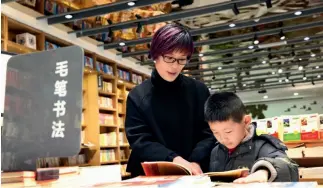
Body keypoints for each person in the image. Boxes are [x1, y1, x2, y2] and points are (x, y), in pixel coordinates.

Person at [125, 24, 216, 177]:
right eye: (169, 58)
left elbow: (209, 131)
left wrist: (195, 160)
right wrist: (174, 159)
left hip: (195, 171)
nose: (175, 66)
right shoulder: (138, 96)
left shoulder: (199, 91)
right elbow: (140, 140)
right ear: (155, 55)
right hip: (152, 173)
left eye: (181, 60)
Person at [204, 92, 299, 183]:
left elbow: (289, 166)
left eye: (228, 131)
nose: (223, 139)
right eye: (215, 132)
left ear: (246, 121)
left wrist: (264, 171)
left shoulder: (263, 146)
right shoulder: (215, 151)